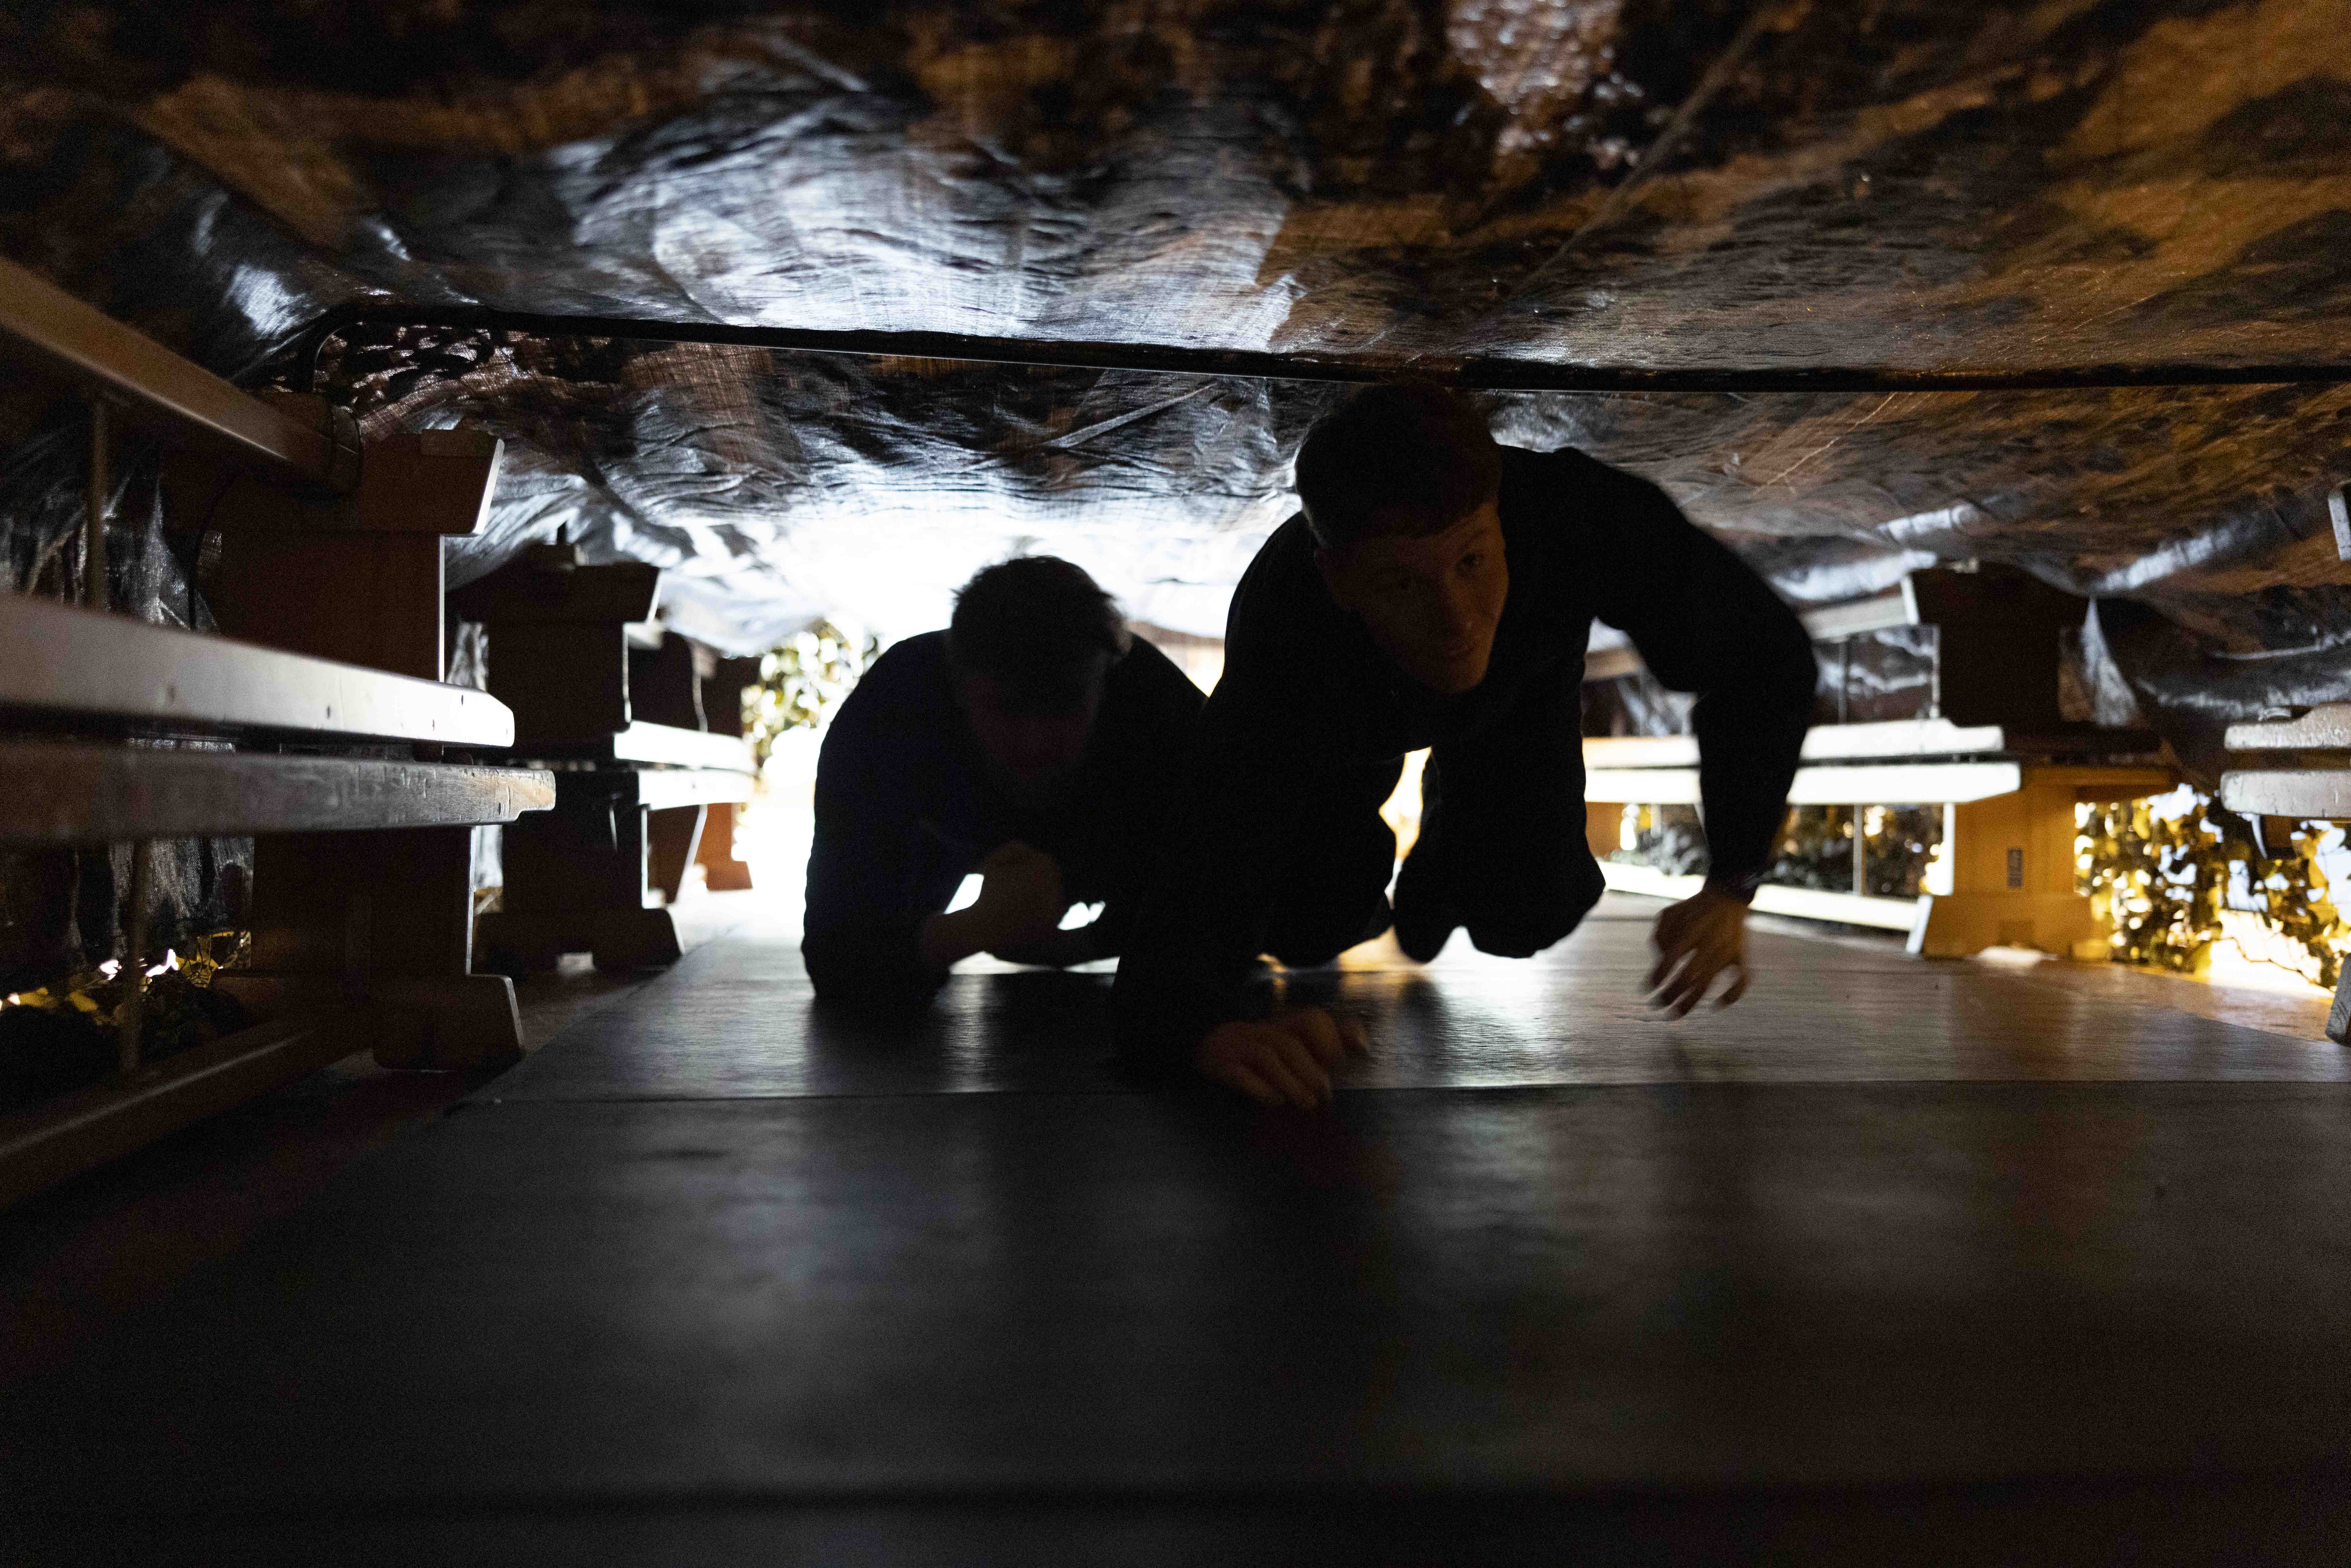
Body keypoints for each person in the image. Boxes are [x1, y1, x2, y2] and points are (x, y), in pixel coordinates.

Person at [1112, 384, 1817, 1108]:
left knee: (1529, 913)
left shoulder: (1574, 513)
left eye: (1472, 563)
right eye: (1402, 582)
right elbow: (1214, 837)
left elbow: (1761, 656)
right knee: (1308, 926)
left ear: (1503, 523)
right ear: (1343, 580)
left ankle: (1440, 855)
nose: (1453, 618)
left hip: (1515, 695)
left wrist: (1734, 876)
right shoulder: (1286, 622)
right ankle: (1370, 881)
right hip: (1348, 728)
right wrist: (1196, 1026)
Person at [803, 556, 1204, 1006]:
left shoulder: (1160, 712)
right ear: (957, 688)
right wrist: (969, 930)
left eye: (1064, 708)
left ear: (1107, 688)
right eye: (1006, 709)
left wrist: (1083, 944)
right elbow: (834, 955)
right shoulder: (894, 713)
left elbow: (1232, 897)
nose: (1034, 741)